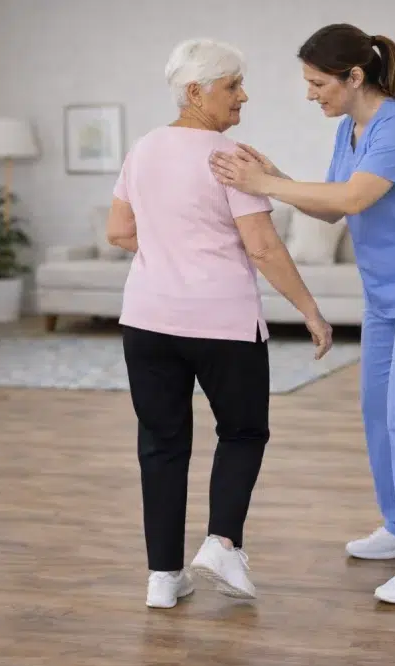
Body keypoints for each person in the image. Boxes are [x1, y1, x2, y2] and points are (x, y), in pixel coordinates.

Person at [209, 23, 395, 606]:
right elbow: (332, 210)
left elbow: (355, 198)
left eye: (317, 83)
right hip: (388, 296)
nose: (310, 93)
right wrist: (276, 179)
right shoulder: (351, 128)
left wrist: (265, 183)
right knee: (379, 414)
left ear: (354, 77)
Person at [106, 37, 334, 609]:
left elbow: (119, 232)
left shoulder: (143, 149)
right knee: (242, 431)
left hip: (147, 321)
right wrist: (310, 309)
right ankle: (222, 543)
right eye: (232, 85)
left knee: (161, 444)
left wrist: (170, 252)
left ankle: (163, 577)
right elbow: (262, 247)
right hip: (221, 323)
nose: (243, 96)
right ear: (194, 91)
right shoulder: (232, 158)